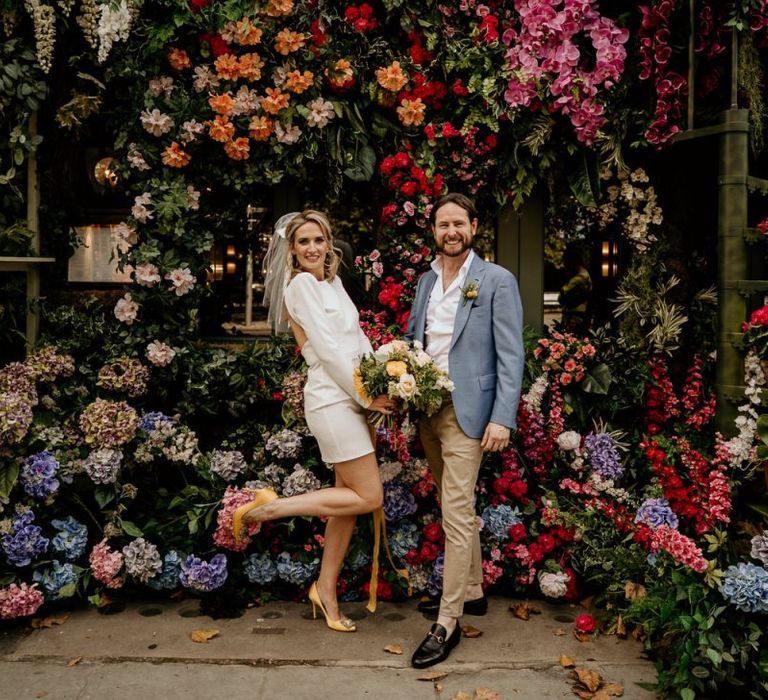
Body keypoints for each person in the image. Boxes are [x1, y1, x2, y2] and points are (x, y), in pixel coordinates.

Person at [233, 210, 395, 632]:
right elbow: (328, 350)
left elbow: (356, 342)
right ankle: (271, 508)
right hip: (331, 401)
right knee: (369, 496)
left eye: (318, 240)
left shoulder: (333, 283)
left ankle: (325, 589)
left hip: (352, 398)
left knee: (347, 503)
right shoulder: (301, 286)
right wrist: (367, 395)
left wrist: (390, 374)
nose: (312, 248)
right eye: (303, 242)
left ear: (329, 243)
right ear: (293, 249)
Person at [405, 193, 524, 668]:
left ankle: (447, 622)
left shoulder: (496, 280)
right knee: (453, 503)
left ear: (473, 227)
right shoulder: (425, 281)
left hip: (468, 413)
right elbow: (418, 339)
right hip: (427, 408)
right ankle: (472, 591)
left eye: (459, 223)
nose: (450, 231)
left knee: (455, 511)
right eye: (442, 224)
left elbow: (511, 353)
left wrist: (503, 416)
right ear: (433, 231)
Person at [558, 246, 592, 333]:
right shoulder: (585, 275)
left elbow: (562, 295)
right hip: (580, 315)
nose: (565, 266)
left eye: (566, 263)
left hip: (574, 317)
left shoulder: (578, 279)